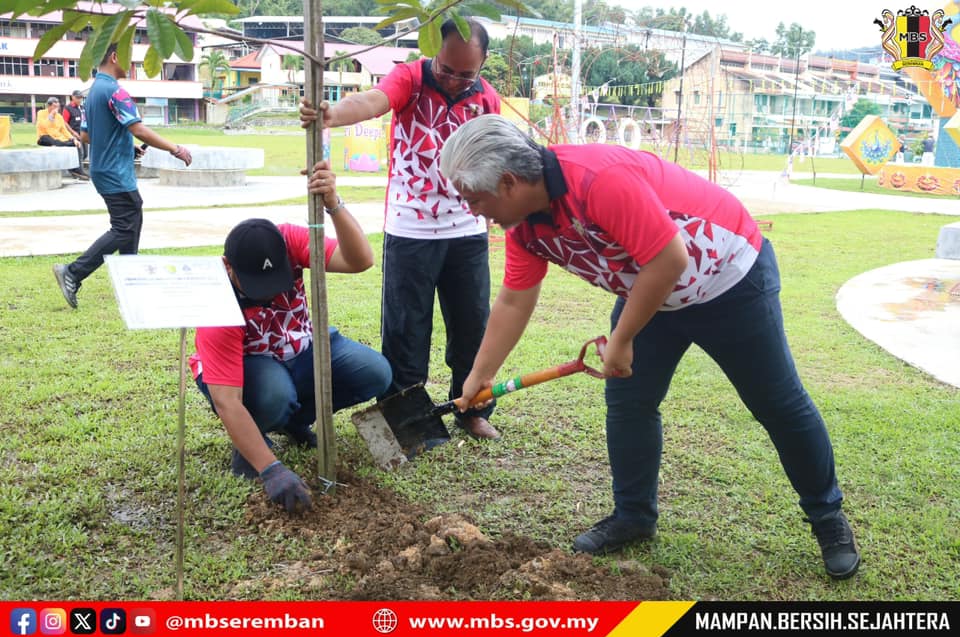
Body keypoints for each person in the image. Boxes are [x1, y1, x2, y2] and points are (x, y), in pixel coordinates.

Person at [442, 115, 861, 580]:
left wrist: (622, 340)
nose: (475, 212)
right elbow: (514, 300)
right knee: (630, 403)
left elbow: (668, 257)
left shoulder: (598, 180)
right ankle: (633, 516)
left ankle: (828, 517)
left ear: (508, 182)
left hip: (729, 279)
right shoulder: (524, 227)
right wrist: (480, 373)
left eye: (475, 200)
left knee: (777, 403)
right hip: (653, 293)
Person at [299, 18, 502, 441]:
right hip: (411, 230)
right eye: (447, 69)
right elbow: (373, 100)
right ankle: (409, 422)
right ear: (433, 53)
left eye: (466, 74)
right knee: (406, 331)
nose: (454, 81)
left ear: (483, 64)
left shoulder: (487, 98)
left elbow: (494, 155)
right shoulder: (411, 77)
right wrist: (332, 114)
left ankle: (472, 409)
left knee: (473, 326)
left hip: (467, 231)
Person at [189, 161, 392, 513]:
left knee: (374, 372)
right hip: (250, 367)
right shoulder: (215, 303)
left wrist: (333, 204)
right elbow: (227, 401)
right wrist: (272, 470)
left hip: (300, 347)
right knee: (274, 395)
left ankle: (294, 422)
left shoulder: (289, 240)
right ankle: (252, 443)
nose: (269, 293)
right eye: (257, 286)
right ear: (227, 266)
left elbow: (360, 260)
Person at [52, 43, 192, 309]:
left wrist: (127, 146)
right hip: (115, 171)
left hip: (104, 168)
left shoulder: (93, 92)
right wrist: (175, 148)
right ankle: (73, 272)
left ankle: (131, 280)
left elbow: (86, 135)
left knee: (132, 218)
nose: (132, 64)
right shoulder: (116, 91)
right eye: (128, 58)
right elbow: (138, 129)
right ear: (114, 57)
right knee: (124, 227)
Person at [35, 96, 87, 180]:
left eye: (57, 107)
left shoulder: (59, 116)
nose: (56, 109)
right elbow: (44, 126)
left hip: (58, 138)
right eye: (54, 106)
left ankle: (77, 169)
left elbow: (64, 130)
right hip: (44, 137)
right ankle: (72, 169)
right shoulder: (41, 113)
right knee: (55, 141)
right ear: (49, 106)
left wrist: (73, 139)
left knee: (76, 144)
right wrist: (51, 116)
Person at [62, 89, 87, 165]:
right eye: (78, 98)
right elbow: (65, 122)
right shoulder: (68, 108)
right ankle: (77, 169)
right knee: (80, 154)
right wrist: (73, 132)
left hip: (83, 134)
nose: (80, 99)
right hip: (74, 135)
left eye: (81, 98)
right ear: (73, 97)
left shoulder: (82, 107)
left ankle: (76, 167)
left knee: (85, 154)